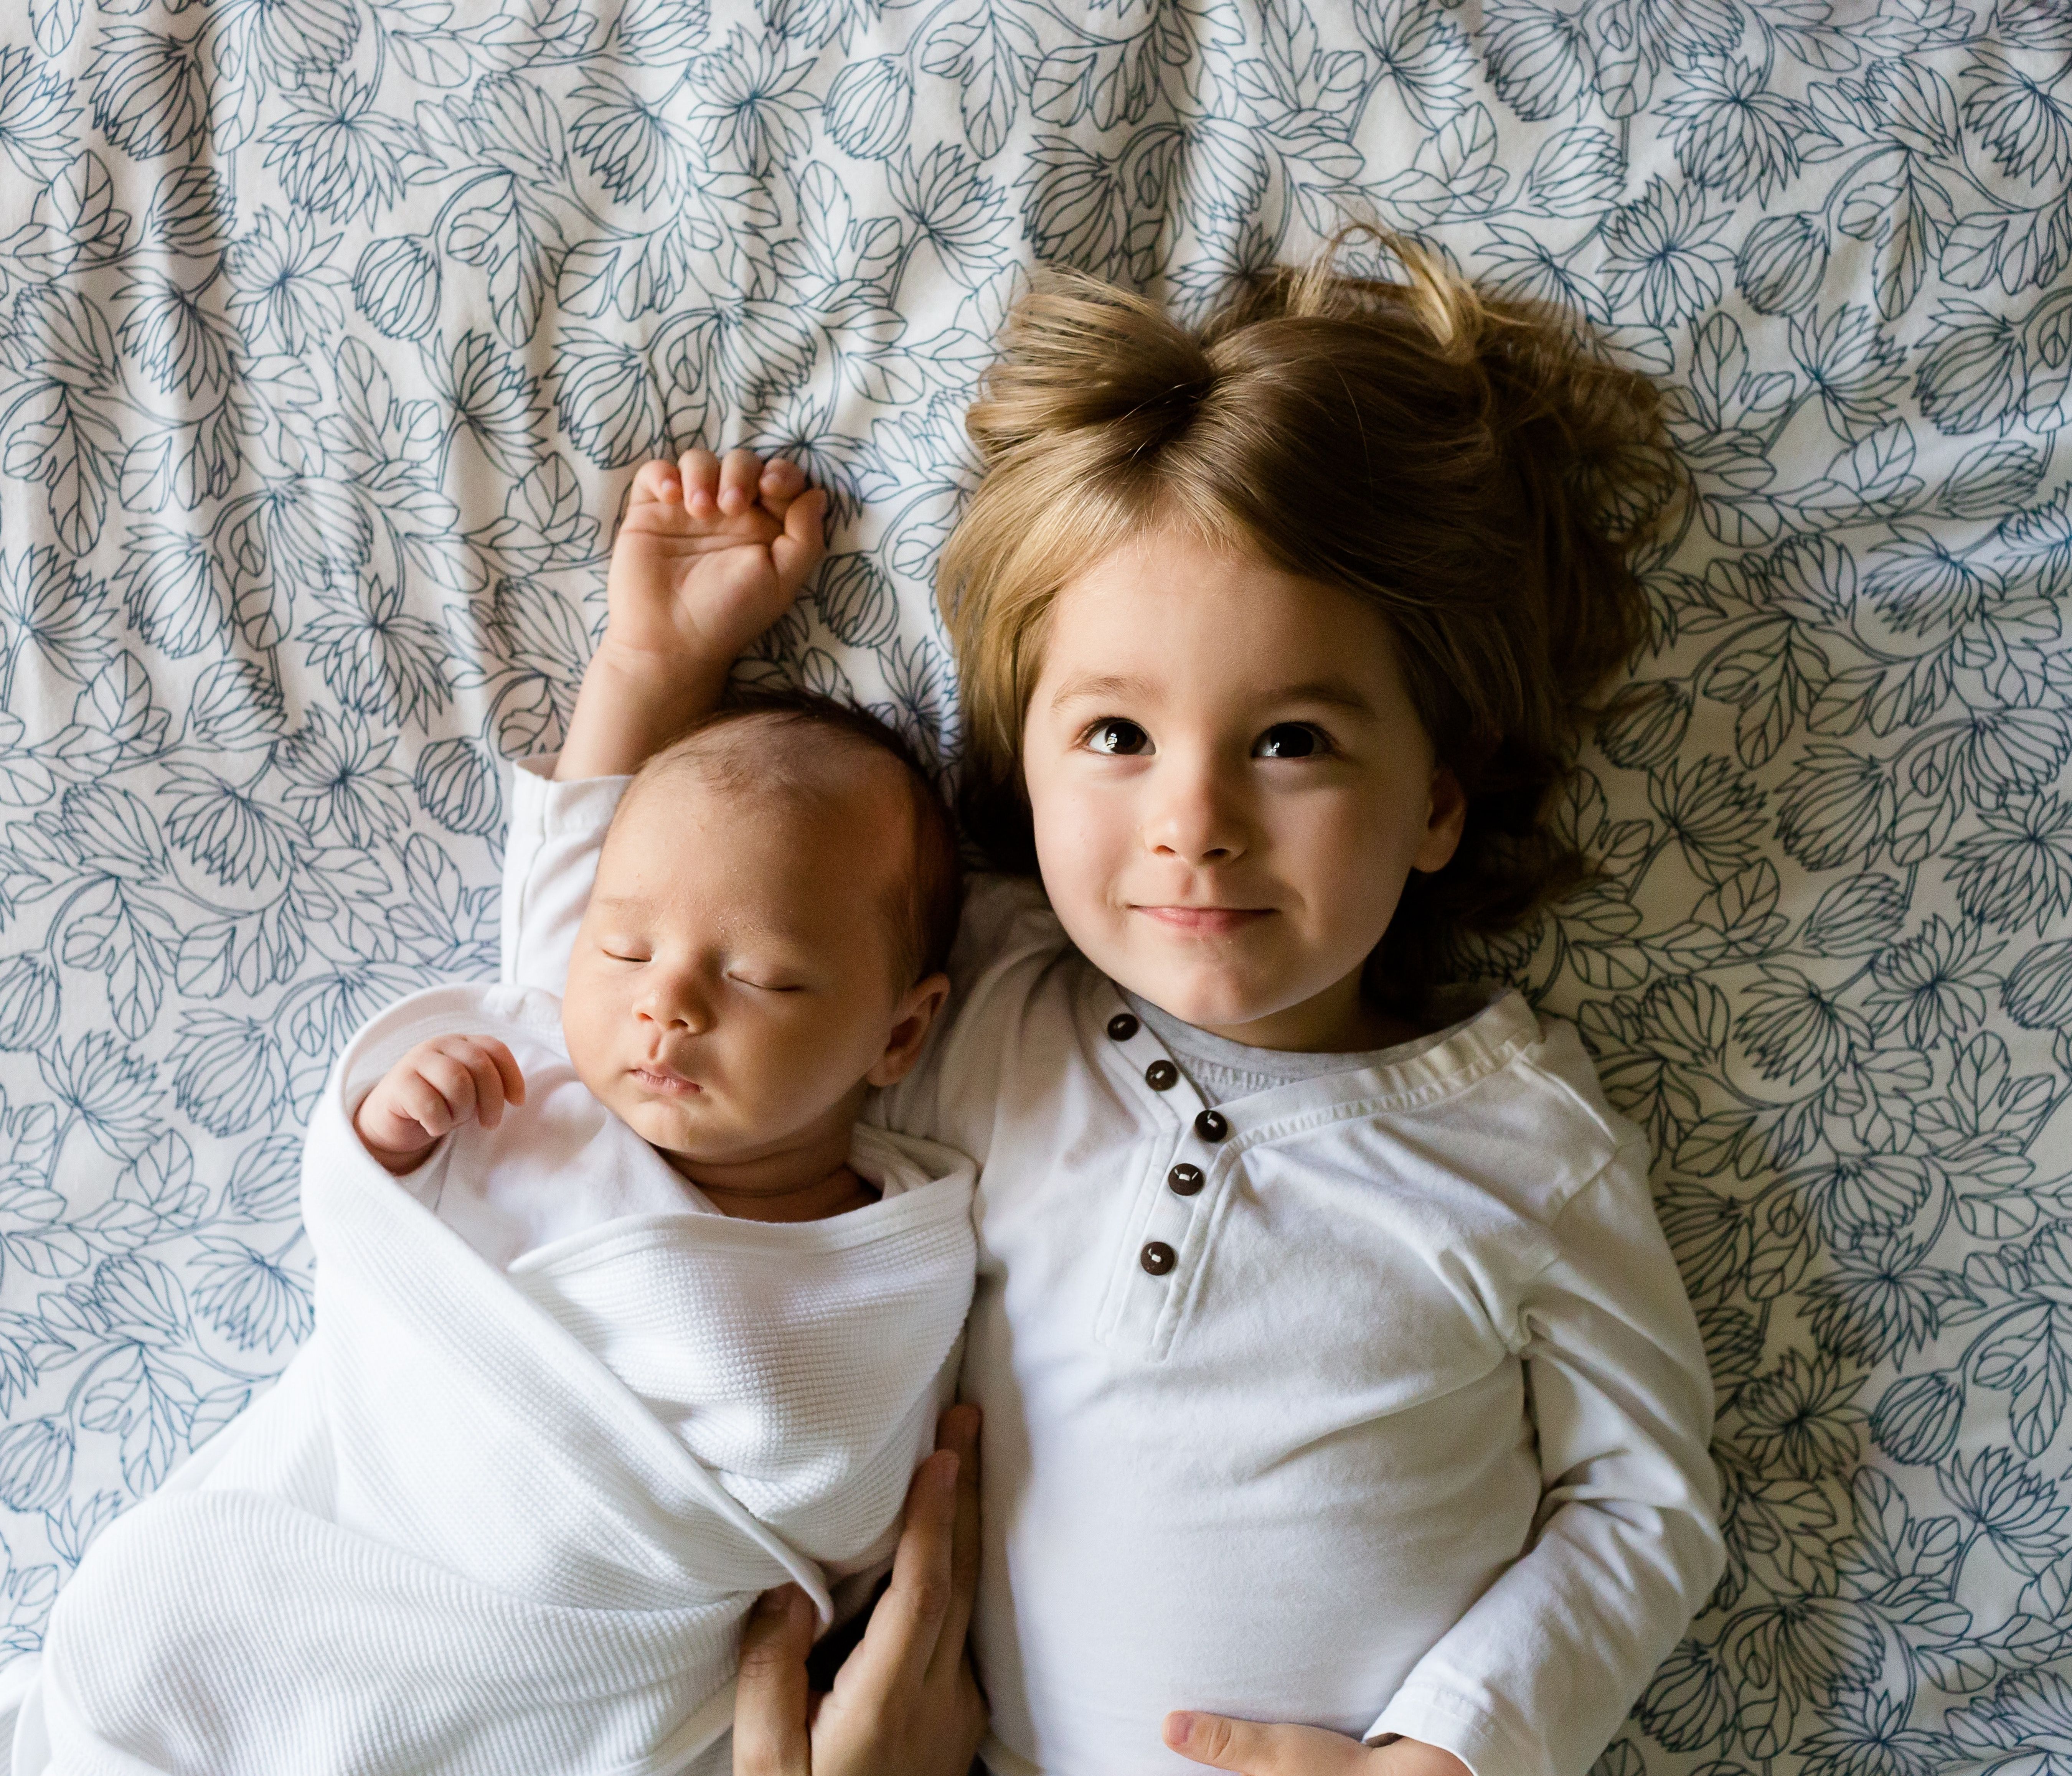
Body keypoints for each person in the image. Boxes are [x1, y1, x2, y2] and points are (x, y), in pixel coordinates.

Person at [519, 235, 1728, 1776]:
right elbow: (619, 987)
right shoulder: (970, 1012)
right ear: (1021, 764)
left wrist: (1454, 1750)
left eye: (1290, 741)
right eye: (1114, 736)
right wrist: (651, 672)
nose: (1195, 821)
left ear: (1437, 799)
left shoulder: (1519, 1146)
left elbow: (1645, 1504)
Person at [6, 462, 983, 1776]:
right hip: (336, 1566)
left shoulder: (900, 1253)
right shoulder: (541, 1074)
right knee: (161, 1626)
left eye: (759, 976)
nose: (667, 1007)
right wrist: (394, 1138)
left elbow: (840, 1507)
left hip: (581, 1667)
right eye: (626, 953)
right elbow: (586, 868)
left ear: (901, 1034)